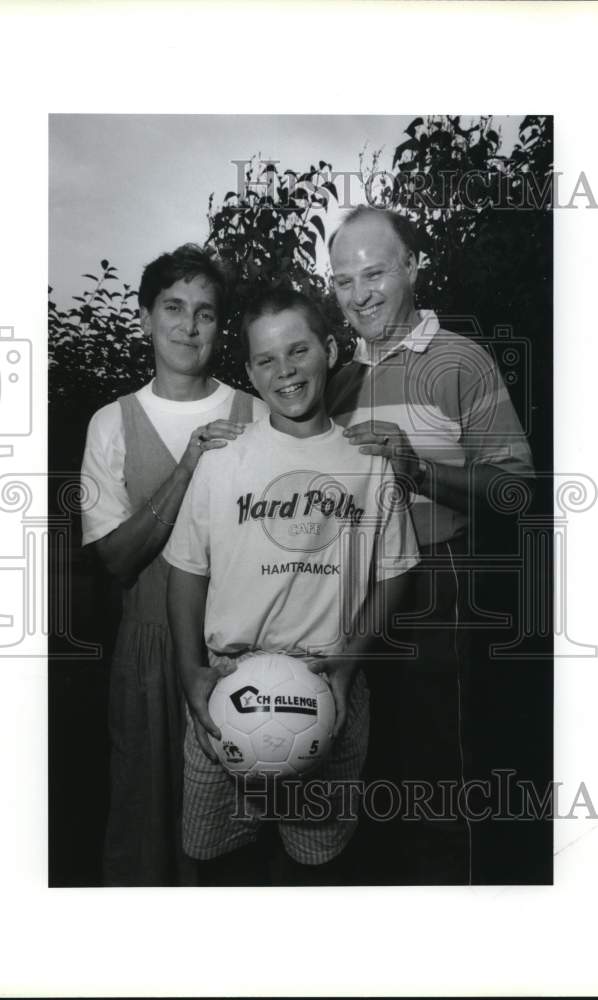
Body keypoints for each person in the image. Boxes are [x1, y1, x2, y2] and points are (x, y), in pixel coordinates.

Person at [164, 288, 420, 885]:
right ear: (250, 371)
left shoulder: (370, 462)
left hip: (328, 686)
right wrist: (188, 672)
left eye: (298, 350)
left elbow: (396, 572)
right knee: (217, 865)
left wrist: (350, 665)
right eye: (266, 360)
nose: (285, 371)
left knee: (316, 871)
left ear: (329, 350)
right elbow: (186, 572)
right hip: (227, 689)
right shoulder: (223, 461)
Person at [327, 206, 535, 883]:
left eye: (374, 273)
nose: (358, 295)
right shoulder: (331, 378)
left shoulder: (460, 360)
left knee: (437, 774)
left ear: (412, 268)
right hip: (343, 595)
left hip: (435, 587)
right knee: (352, 769)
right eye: (341, 281)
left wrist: (418, 469)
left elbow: (515, 491)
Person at [80, 244, 266, 886]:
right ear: (144, 318)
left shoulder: (256, 414)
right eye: (174, 308)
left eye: (206, 313)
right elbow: (115, 560)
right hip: (146, 646)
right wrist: (189, 465)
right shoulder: (112, 422)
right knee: (142, 816)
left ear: (220, 327)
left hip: (236, 649)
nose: (190, 327)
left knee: (229, 828)